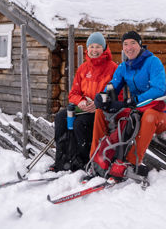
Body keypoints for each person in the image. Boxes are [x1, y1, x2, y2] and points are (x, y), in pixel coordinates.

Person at [90, 30, 166, 175]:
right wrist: (102, 96)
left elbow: (159, 90)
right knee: (100, 112)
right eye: (125, 44)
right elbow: (113, 85)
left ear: (140, 45)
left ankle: (131, 163)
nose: (129, 47)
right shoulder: (124, 67)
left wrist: (134, 101)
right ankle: (97, 159)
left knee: (149, 115)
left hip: (161, 115)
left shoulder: (153, 62)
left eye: (133, 43)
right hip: (136, 113)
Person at [51, 32, 119, 172]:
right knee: (60, 118)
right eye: (92, 46)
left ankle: (82, 161)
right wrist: (80, 101)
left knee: (79, 124)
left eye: (98, 46)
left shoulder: (113, 68)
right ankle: (62, 161)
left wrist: (99, 104)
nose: (94, 50)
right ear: (87, 48)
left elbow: (117, 94)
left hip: (100, 111)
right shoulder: (83, 68)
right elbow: (73, 93)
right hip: (82, 107)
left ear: (104, 47)